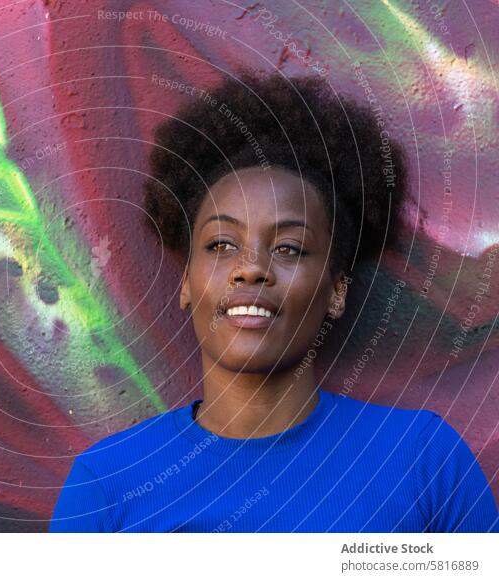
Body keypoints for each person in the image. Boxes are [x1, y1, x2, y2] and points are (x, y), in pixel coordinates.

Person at [48, 71, 499, 532]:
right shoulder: (107, 483)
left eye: (288, 248)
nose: (251, 268)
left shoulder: (423, 460)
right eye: (221, 245)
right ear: (186, 282)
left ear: (336, 290)